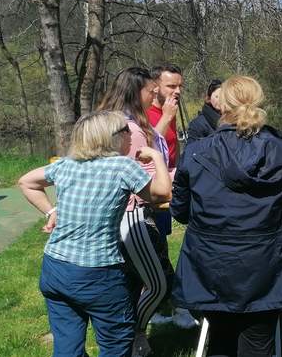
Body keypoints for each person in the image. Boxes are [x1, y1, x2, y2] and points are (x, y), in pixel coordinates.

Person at [171, 76, 282, 356]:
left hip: (211, 265)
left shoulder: (196, 151)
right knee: (257, 341)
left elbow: (181, 212)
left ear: (221, 104)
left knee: (220, 339)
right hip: (264, 265)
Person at [18, 110, 171, 357]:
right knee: (116, 344)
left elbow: (26, 181)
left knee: (67, 346)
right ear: (110, 137)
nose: (131, 134)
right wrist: (156, 156)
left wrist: (51, 211)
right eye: (125, 130)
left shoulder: (66, 164)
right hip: (98, 274)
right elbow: (163, 193)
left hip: (55, 268)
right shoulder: (122, 166)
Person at [97, 67, 173, 356]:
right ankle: (132, 333)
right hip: (133, 214)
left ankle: (130, 340)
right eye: (151, 91)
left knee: (131, 280)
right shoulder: (130, 132)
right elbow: (144, 175)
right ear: (134, 92)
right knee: (159, 283)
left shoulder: (110, 122)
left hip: (117, 214)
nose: (155, 95)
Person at [146, 64, 197, 328]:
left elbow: (169, 147)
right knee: (155, 253)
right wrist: (166, 116)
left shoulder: (170, 109)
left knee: (159, 244)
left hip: (167, 188)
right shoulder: (146, 112)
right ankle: (167, 308)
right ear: (155, 86)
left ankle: (156, 308)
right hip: (148, 194)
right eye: (171, 86)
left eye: (180, 86)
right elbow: (145, 147)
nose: (177, 91)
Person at [186, 78, 222, 144]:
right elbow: (192, 150)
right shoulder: (197, 124)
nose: (221, 100)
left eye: (224, 96)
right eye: (217, 96)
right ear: (209, 98)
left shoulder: (232, 120)